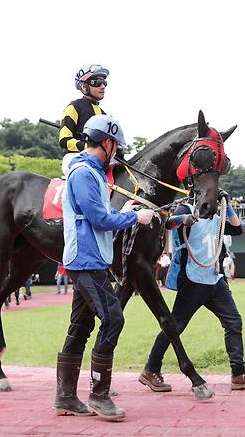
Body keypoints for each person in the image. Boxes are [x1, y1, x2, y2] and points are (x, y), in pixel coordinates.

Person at [54, 114, 154, 420]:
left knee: (81, 327)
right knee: (113, 319)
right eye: (117, 146)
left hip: (88, 258)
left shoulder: (93, 173)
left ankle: (65, 398)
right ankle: (99, 395)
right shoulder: (84, 174)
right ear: (108, 143)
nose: (118, 152)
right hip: (87, 260)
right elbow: (99, 220)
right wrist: (135, 218)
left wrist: (123, 211)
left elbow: (101, 213)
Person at [139, 192, 245, 395]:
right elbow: (168, 223)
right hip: (192, 279)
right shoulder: (187, 208)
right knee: (175, 326)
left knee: (234, 322)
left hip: (215, 279)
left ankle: (239, 373)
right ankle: (151, 369)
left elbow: (237, 228)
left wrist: (228, 205)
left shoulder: (217, 213)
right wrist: (183, 219)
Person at [58, 64, 109, 176]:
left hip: (99, 160)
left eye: (104, 83)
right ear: (84, 86)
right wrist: (89, 147)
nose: (102, 86)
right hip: (75, 158)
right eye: (96, 82)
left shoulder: (104, 115)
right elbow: (64, 140)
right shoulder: (73, 107)